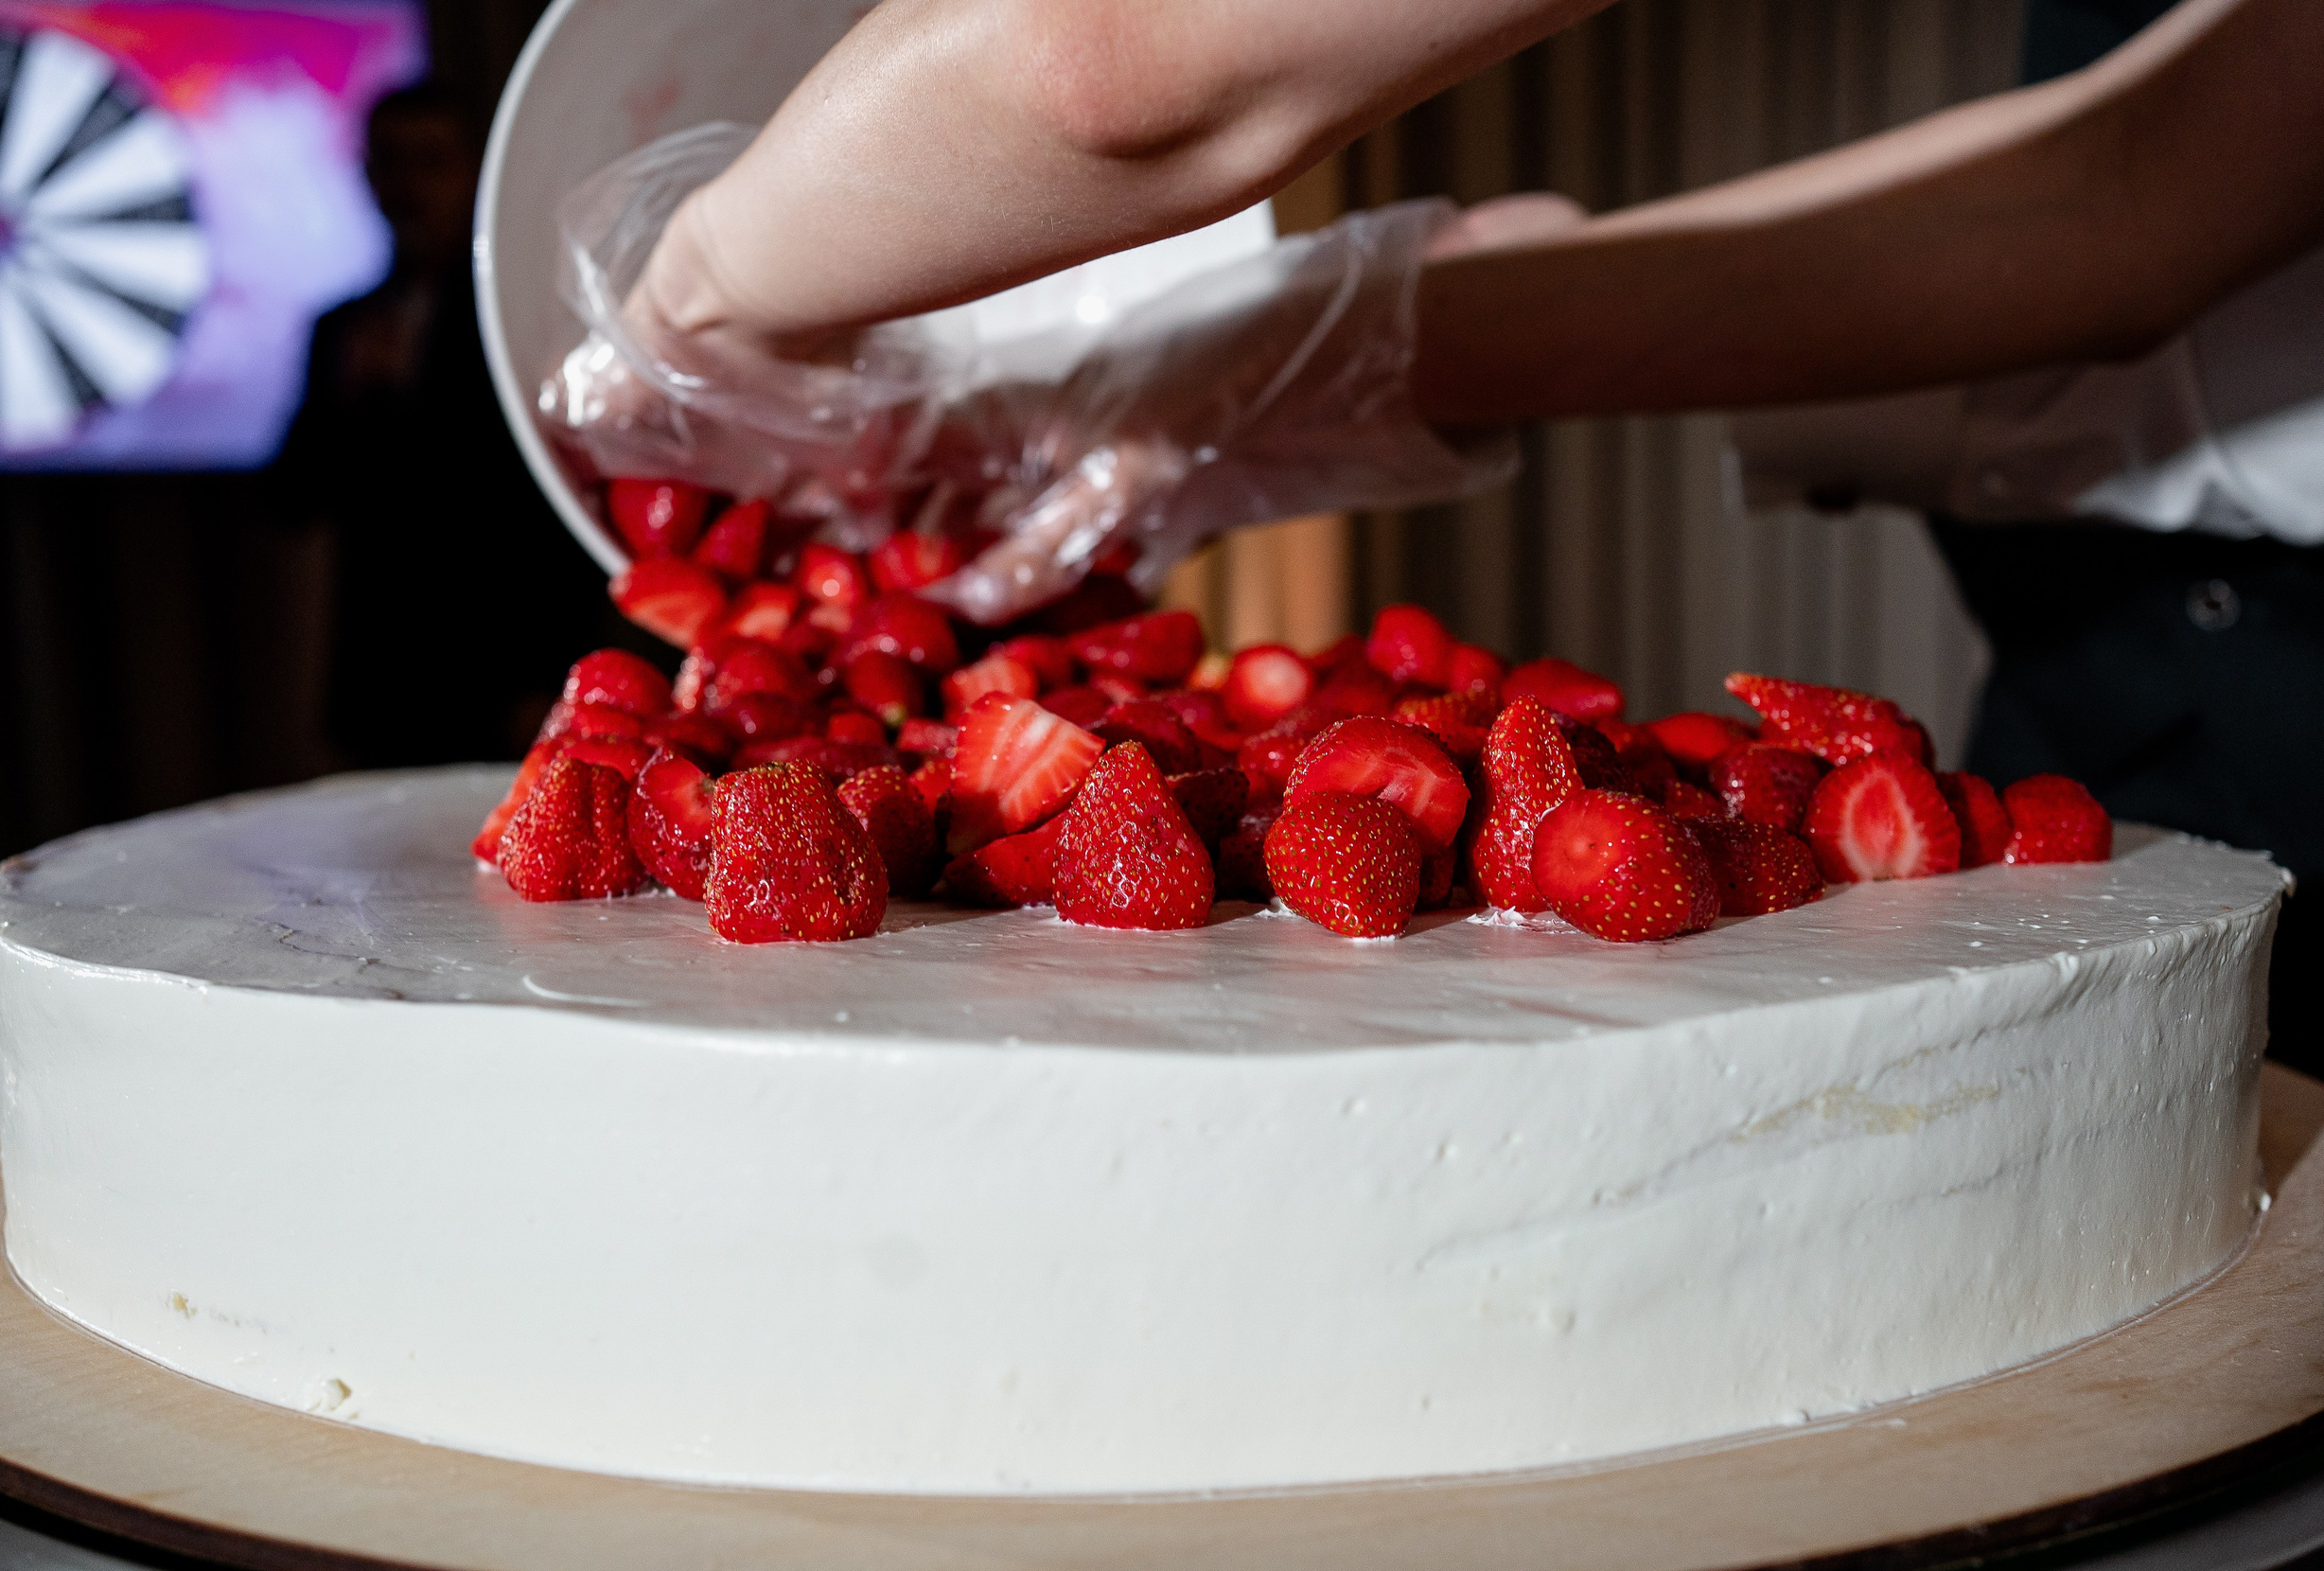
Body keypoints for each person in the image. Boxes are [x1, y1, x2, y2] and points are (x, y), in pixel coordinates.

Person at [612, 0, 2320, 1068]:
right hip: (2144, 660)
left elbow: (1103, 62)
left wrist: (692, 293)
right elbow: (2117, 193)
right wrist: (1367, 340)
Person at [279, 84, 615, 768]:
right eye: (392, 162)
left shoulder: (528, 323)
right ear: (368, 175)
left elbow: (559, 503)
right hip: (383, 685)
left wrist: (550, 673)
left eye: (431, 161)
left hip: (500, 675)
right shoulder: (342, 328)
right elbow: (290, 496)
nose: (409, 185)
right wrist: (347, 396)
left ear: (472, 171)